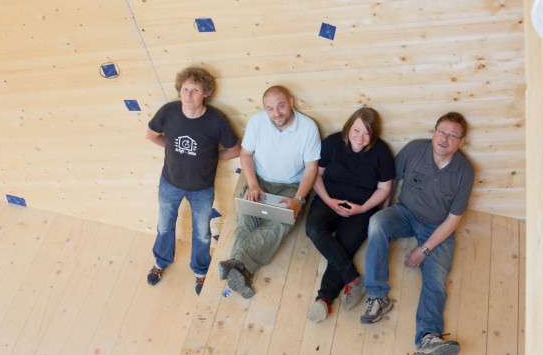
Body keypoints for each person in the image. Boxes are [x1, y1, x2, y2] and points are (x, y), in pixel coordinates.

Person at [360, 112, 474, 355]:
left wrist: (424, 249)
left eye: (452, 135)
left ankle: (428, 338)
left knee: (436, 278)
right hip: (405, 213)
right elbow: (389, 181)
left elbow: (453, 219)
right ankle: (378, 297)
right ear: (434, 131)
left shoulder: (465, 172)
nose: (445, 138)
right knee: (376, 223)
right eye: (442, 131)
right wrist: (384, 211)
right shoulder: (414, 150)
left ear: (461, 141)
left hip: (438, 228)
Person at [218, 85, 320, 299]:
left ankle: (237, 263)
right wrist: (253, 185)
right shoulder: (257, 121)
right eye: (270, 109)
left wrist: (299, 199)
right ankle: (242, 271)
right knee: (246, 218)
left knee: (281, 223)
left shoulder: (308, 127)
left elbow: (312, 168)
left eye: (281, 106)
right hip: (261, 181)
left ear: (291, 102)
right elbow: (245, 155)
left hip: (291, 186)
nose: (277, 113)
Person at [146, 66, 240, 294]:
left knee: (202, 233)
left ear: (205, 93)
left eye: (195, 90)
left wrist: (211, 158)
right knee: (164, 226)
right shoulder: (168, 112)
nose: (188, 95)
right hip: (169, 184)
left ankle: (200, 272)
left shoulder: (216, 121)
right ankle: (160, 263)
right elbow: (152, 135)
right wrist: (171, 148)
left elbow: (235, 150)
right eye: (185, 89)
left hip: (202, 190)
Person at [304, 107, 394, 322]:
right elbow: (317, 174)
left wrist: (363, 209)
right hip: (330, 198)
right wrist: (328, 200)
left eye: (366, 133)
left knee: (343, 246)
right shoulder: (333, 143)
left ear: (373, 135)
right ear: (348, 127)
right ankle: (353, 278)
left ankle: (324, 299)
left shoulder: (381, 152)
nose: (360, 138)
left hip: (362, 206)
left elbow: (385, 188)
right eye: (356, 130)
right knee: (313, 229)